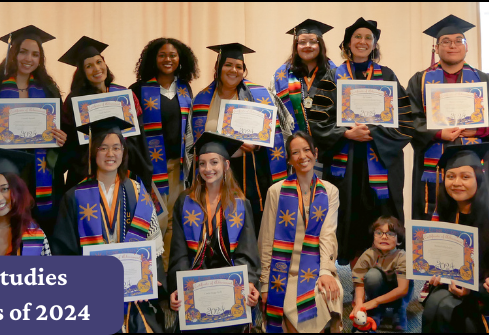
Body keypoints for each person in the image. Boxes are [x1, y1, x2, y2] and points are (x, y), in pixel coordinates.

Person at [51, 117, 165, 332]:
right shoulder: (74, 196)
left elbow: (152, 244)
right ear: (93, 152)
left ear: (124, 151)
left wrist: (152, 278)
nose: (110, 154)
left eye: (116, 148)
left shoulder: (138, 191)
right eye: (103, 148)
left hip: (134, 296)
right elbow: (64, 250)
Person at [327, 17, 415, 263]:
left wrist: (372, 133)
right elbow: (319, 120)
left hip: (380, 158)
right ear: (347, 43)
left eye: (368, 38)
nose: (362, 42)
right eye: (357, 37)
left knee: (382, 212)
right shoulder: (333, 76)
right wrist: (345, 133)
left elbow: (405, 120)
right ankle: (355, 272)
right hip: (347, 160)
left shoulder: (387, 76)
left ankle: (386, 268)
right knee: (349, 211)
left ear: (375, 44)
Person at [407, 15, 489, 221]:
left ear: (466, 47)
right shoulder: (420, 80)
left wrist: (478, 130)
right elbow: (409, 117)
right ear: (436, 48)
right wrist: (437, 132)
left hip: (475, 157)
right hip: (434, 161)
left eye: (458, 41)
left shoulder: (484, 79)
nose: (453, 46)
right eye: (446, 41)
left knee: (479, 218)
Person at [0, 25, 68, 236]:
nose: (29, 58)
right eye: (23, 52)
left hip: (41, 173)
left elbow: (59, 136)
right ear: (13, 53)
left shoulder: (49, 92)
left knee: (42, 229)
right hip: (6, 171)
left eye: (35, 54)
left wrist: (61, 140)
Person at [191, 43, 294, 235]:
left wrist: (257, 144)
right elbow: (195, 140)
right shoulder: (202, 100)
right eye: (228, 65)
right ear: (218, 67)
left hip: (252, 171)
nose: (234, 70)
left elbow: (276, 133)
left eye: (239, 67)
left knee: (253, 223)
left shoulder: (260, 95)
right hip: (214, 173)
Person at [421, 142, 489, 333]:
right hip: (451, 284)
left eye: (465, 177)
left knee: (450, 311)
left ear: (479, 179)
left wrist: (474, 289)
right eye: (450, 176)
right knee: (434, 305)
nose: (456, 183)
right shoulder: (443, 214)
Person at [168, 132, 260, 332]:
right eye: (202, 163)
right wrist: (177, 287)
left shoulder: (240, 203)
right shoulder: (185, 202)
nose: (207, 169)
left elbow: (247, 250)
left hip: (229, 288)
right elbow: (179, 251)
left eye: (214, 162)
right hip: (195, 287)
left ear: (226, 165)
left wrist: (250, 283)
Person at [258, 131, 342, 333]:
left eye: (306, 150)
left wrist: (325, 271)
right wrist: (264, 284)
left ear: (315, 153)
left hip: (316, 269)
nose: (302, 156)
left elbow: (327, 234)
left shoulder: (330, 191)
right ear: (288, 159)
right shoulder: (276, 191)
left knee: (325, 300)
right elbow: (267, 239)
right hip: (283, 272)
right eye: (295, 152)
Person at [128, 37, 200, 270]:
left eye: (173, 55)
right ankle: (149, 274)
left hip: (179, 167)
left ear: (181, 59)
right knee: (150, 221)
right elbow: (133, 132)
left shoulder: (184, 88)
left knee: (172, 220)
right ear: (153, 59)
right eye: (162, 55)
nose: (168, 59)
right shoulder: (138, 89)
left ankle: (169, 274)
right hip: (148, 168)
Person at [57, 36, 149, 197]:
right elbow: (70, 141)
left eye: (99, 62)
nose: (96, 69)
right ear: (82, 71)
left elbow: (138, 137)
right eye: (89, 66)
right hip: (87, 169)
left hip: (123, 166)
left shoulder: (124, 95)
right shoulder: (74, 101)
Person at [269, 19, 339, 156]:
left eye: (313, 41)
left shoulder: (335, 74)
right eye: (302, 42)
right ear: (296, 46)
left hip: (328, 147)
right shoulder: (281, 76)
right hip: (294, 150)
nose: (308, 45)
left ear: (321, 45)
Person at [350, 216, 410, 331]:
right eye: (379, 233)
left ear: (399, 240)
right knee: (372, 275)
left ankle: (399, 310)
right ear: (373, 237)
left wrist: (374, 302)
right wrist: (359, 304)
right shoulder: (368, 255)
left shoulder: (402, 257)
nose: (384, 237)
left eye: (390, 234)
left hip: (397, 291)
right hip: (379, 289)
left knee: (407, 280)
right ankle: (376, 312)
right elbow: (358, 281)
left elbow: (402, 289)